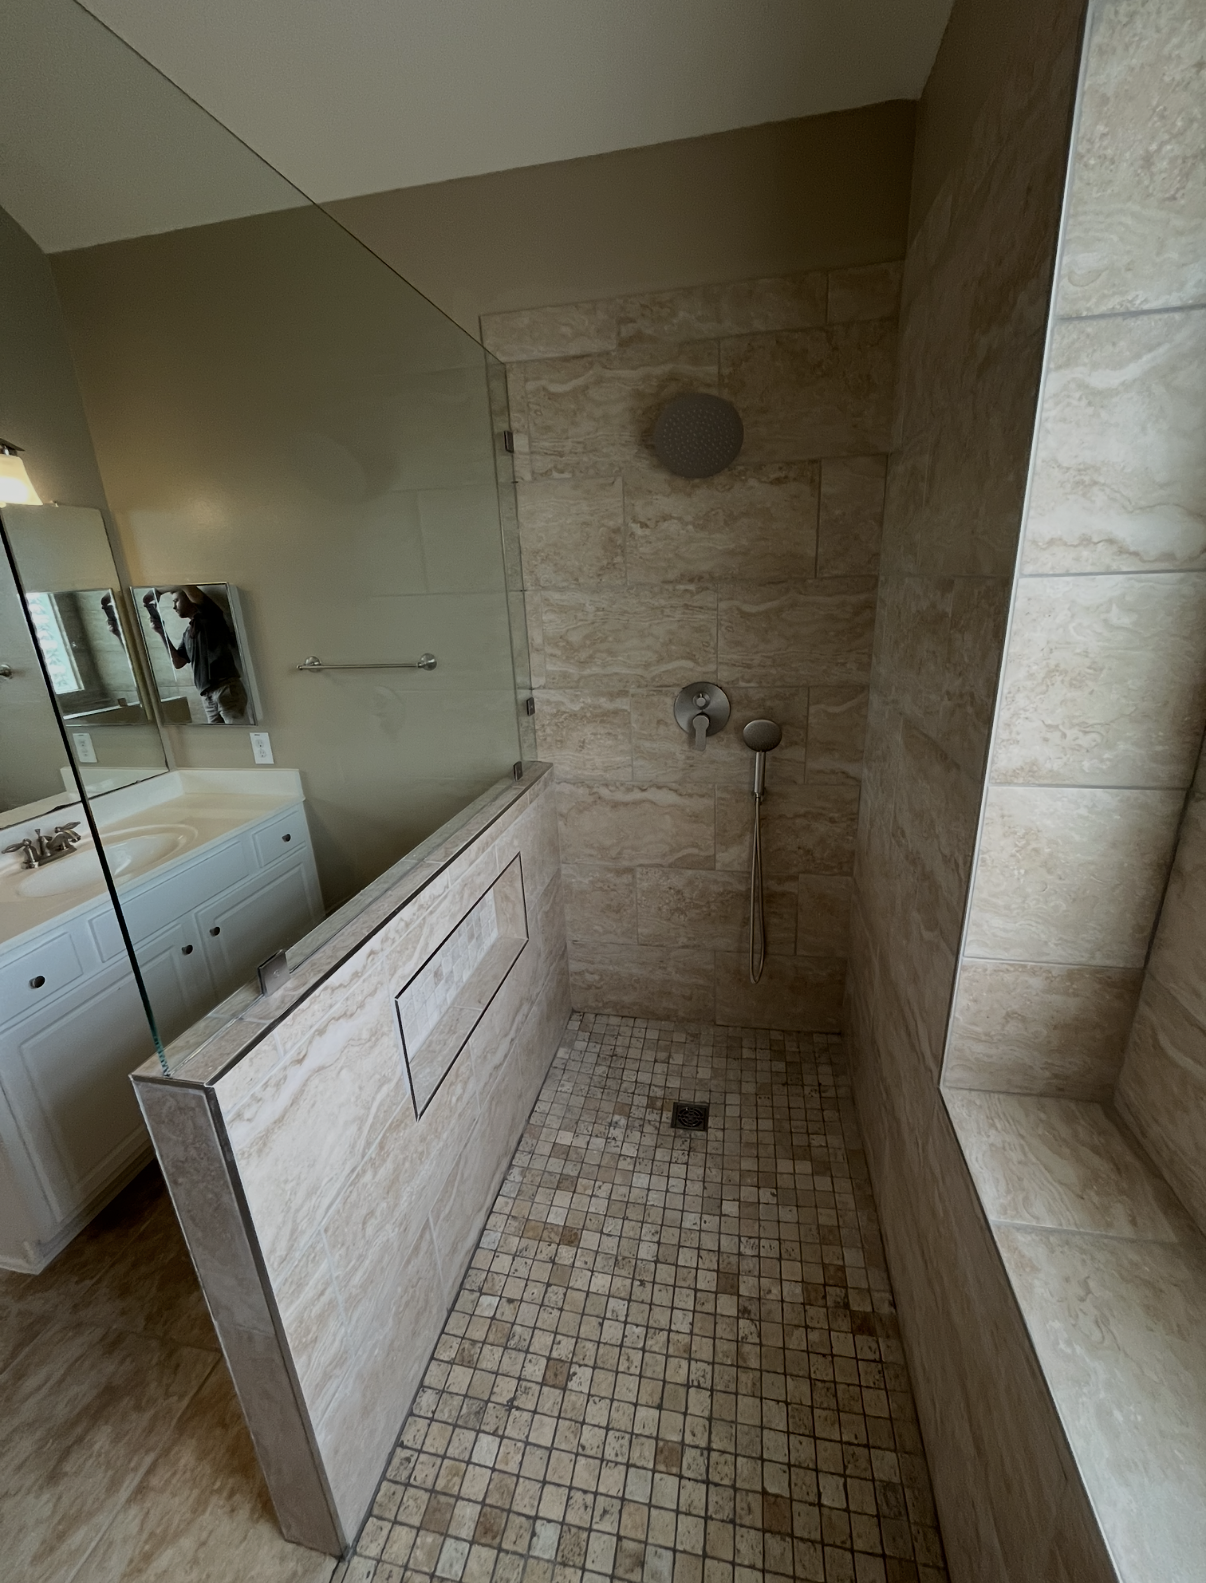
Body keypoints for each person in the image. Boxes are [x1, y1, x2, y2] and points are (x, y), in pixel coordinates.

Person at [144, 585, 248, 723]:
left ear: (189, 599)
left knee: (238, 733)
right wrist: (162, 632)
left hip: (225, 688)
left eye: (176, 601)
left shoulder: (210, 616)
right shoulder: (188, 633)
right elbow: (178, 662)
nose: (173, 607)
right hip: (207, 695)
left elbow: (185, 585)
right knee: (221, 736)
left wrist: (157, 592)